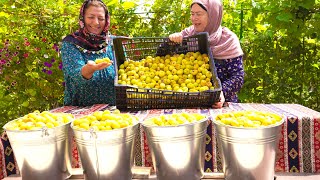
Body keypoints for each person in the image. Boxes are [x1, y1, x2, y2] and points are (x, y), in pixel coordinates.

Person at [169, 0, 244, 109]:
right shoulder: (188, 34)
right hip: (190, 104)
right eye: (192, 13)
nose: (194, 18)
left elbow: (238, 77)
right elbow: (166, 59)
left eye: (199, 14)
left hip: (221, 105)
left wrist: (221, 93)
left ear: (213, 15)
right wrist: (172, 40)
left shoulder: (228, 39)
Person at [61, 0, 116, 106]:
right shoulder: (71, 43)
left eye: (101, 18)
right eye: (91, 17)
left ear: (106, 20)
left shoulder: (113, 42)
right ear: (83, 18)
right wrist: (89, 70)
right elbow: (75, 77)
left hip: (113, 112)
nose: (96, 22)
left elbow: (125, 72)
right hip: (80, 111)